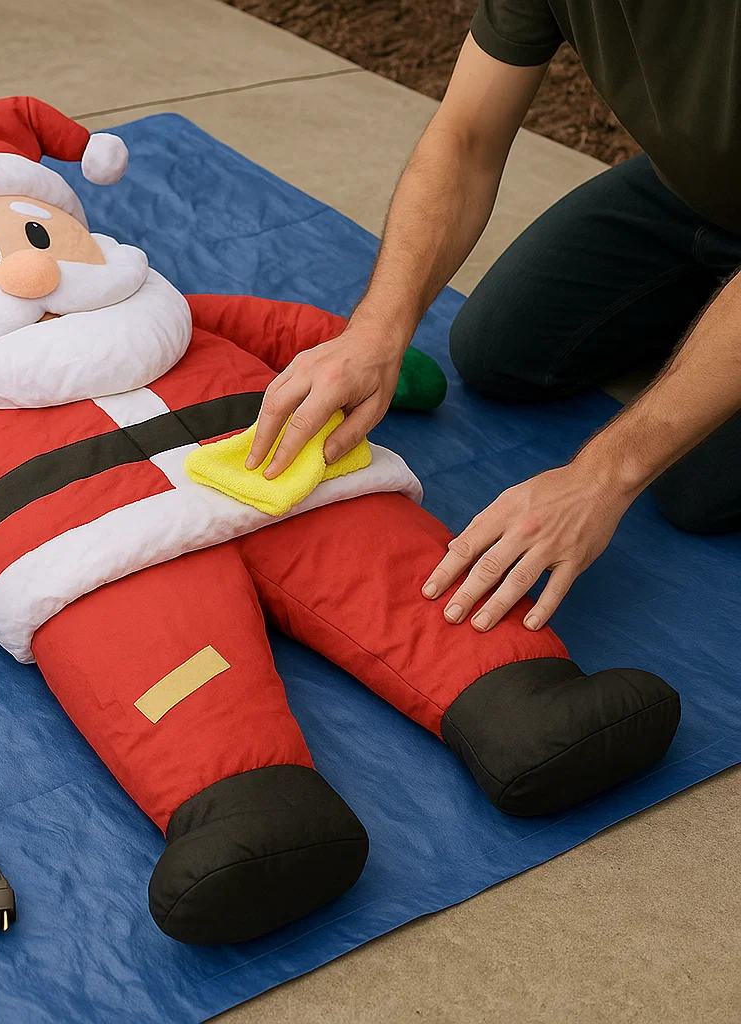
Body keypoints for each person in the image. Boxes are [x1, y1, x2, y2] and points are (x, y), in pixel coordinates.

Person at [246, 0, 741, 634]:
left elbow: (617, 472)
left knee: (694, 487)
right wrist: (377, 328)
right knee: (499, 352)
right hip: (693, 194)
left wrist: (603, 474)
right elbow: (466, 136)